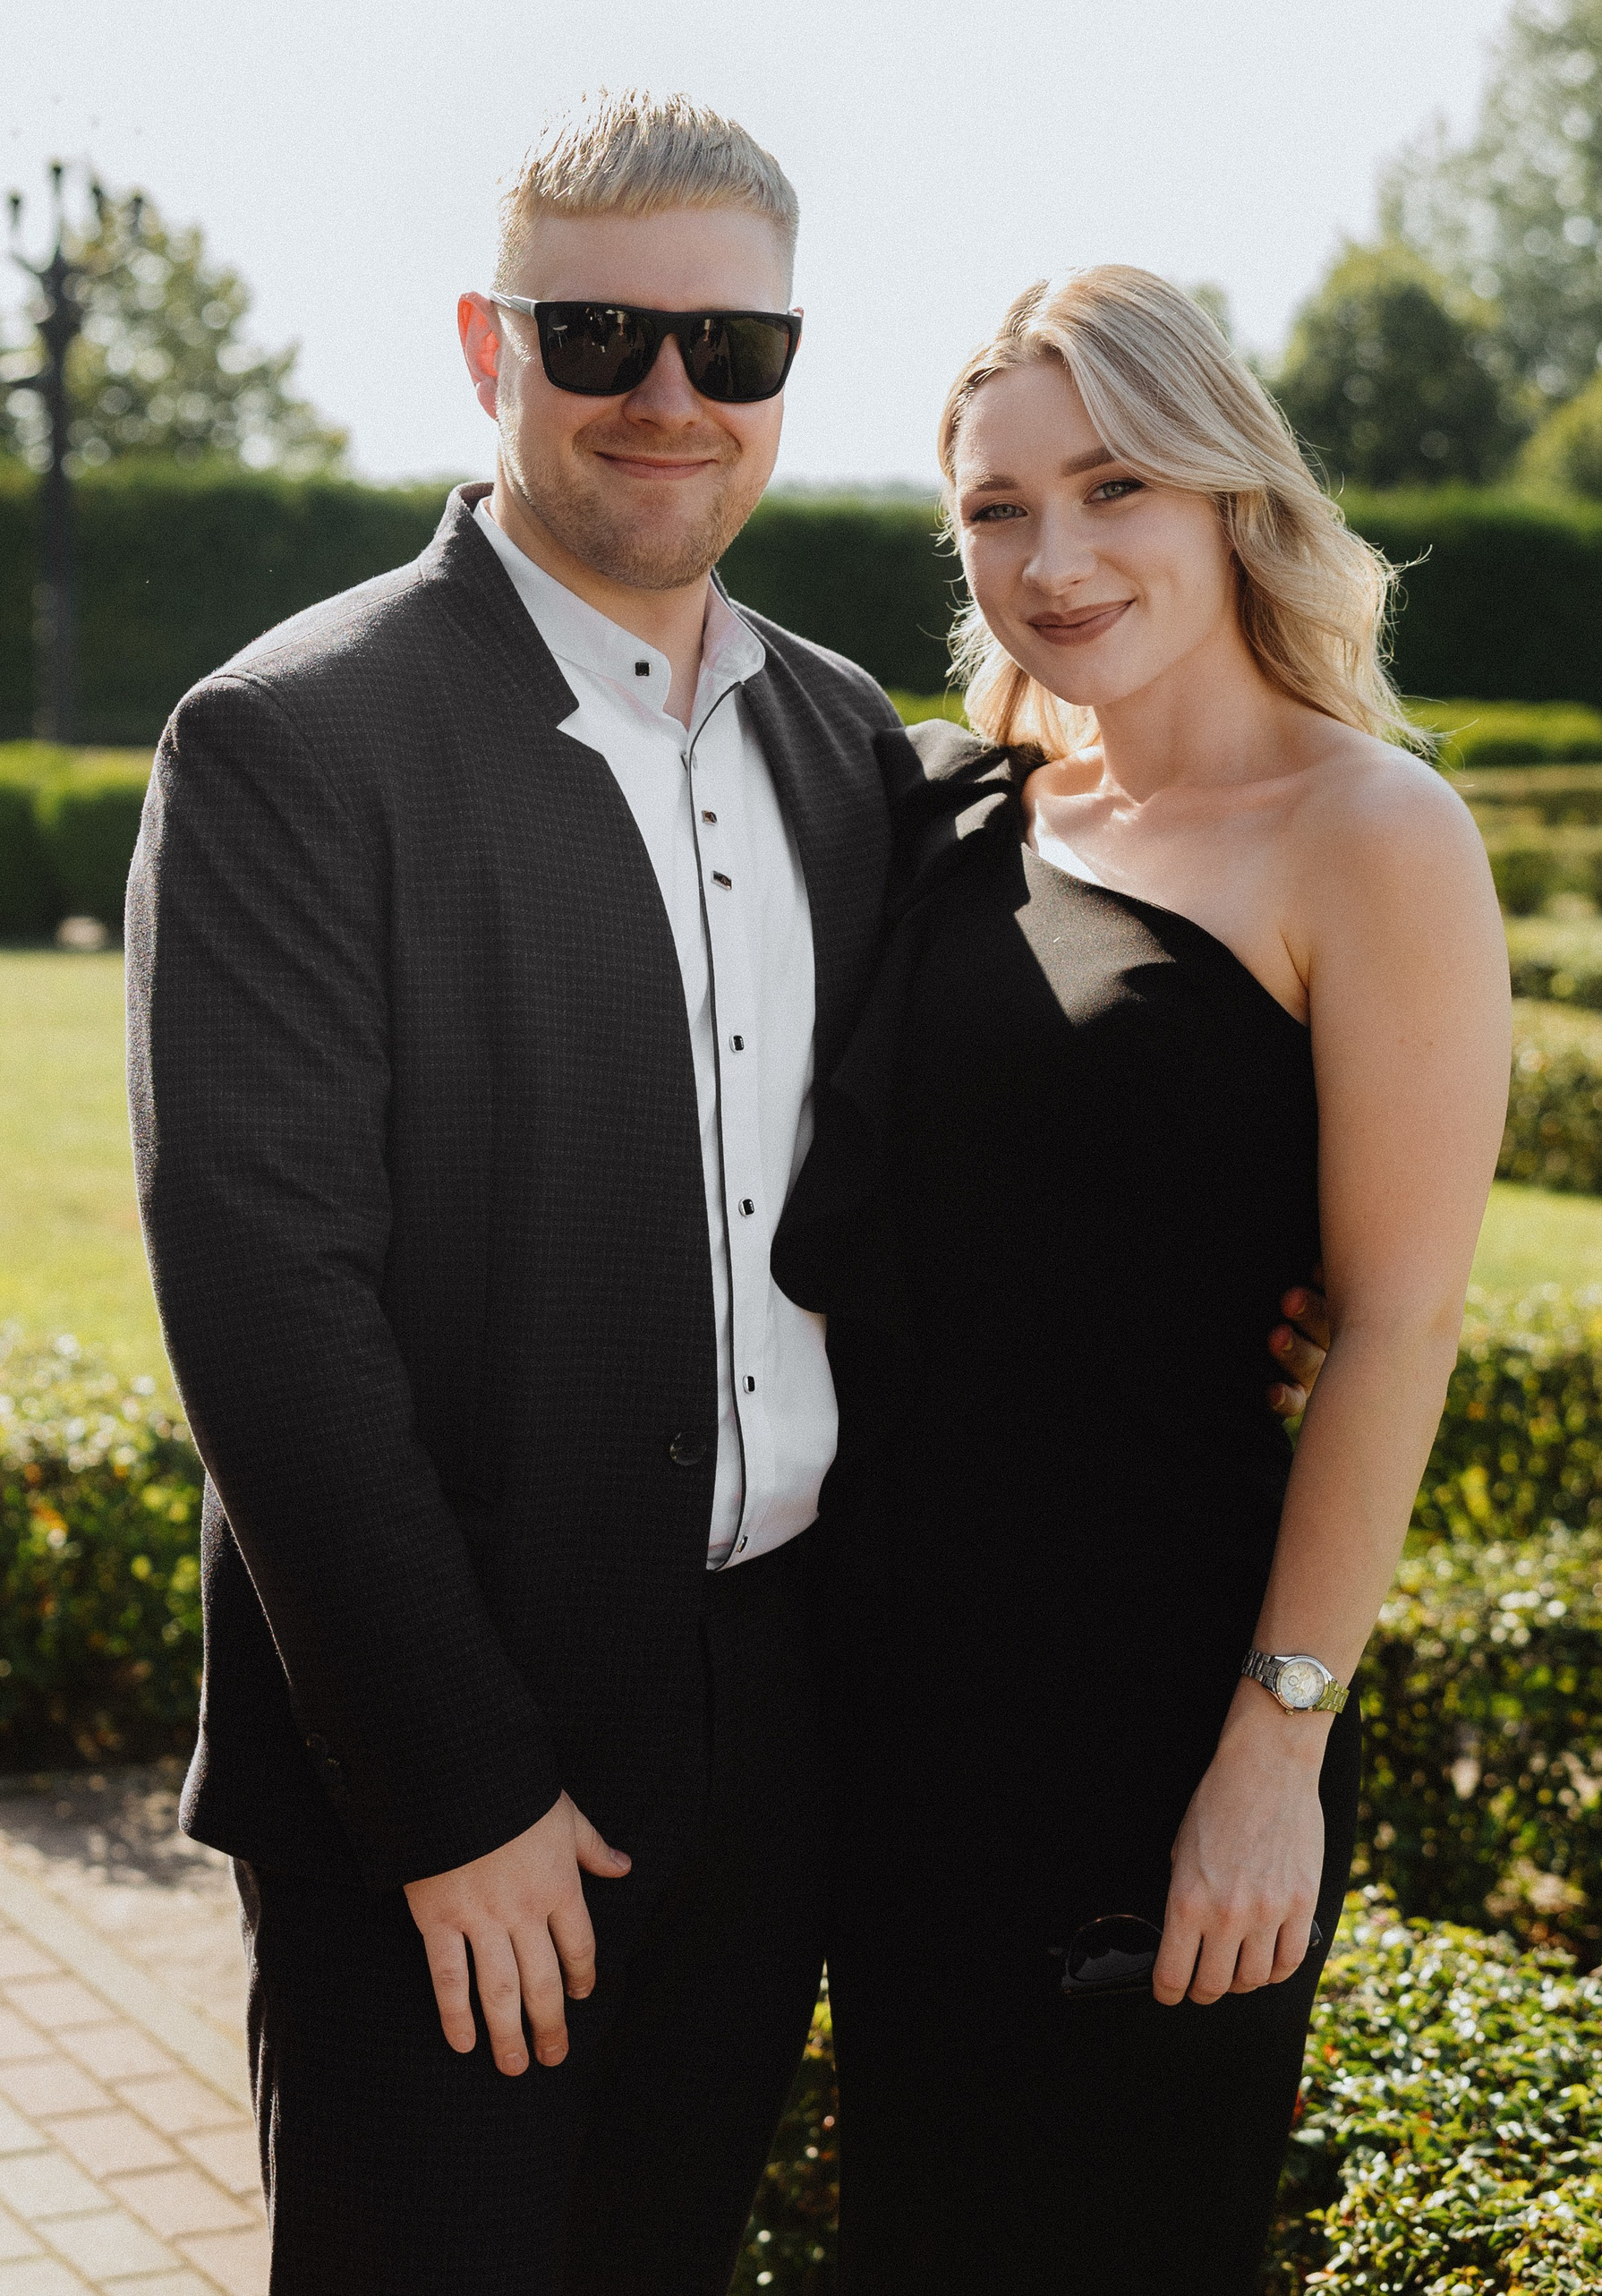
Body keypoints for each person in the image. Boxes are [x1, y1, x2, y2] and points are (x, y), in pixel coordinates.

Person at [126, 94, 1331, 2292]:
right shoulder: (290, 739)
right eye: (599, 335)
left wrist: (1254, 1281)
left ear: (788, 369)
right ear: (490, 346)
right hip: (453, 1762)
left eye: (734, 346)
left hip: (790, 1732)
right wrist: (454, 1791)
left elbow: (1018, 1111)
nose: (668, 395)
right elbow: (266, 1306)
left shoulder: (851, 745)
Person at [774, 267, 1512, 2295]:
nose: (1056, 558)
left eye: (1115, 487)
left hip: (1170, 1708)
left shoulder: (1375, 833)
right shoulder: (955, 813)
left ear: (1227, 490)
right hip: (896, 1695)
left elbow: (1397, 1319)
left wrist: (1273, 1756)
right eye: (996, 509)